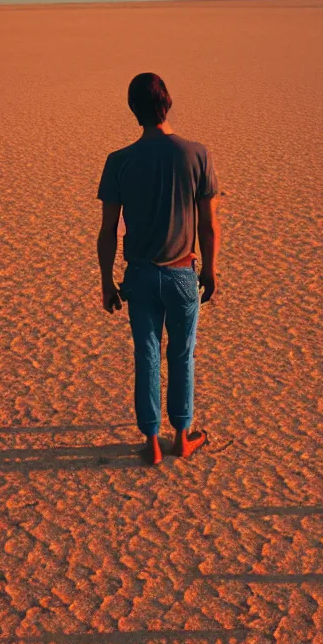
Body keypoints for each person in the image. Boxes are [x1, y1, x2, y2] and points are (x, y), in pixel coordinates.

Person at [96, 73, 220, 465]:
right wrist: (211, 270)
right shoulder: (196, 154)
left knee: (146, 355)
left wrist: (106, 282)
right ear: (168, 103)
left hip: (140, 275)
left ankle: (151, 442)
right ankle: (181, 436)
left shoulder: (119, 161)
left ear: (135, 111)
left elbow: (108, 230)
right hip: (183, 272)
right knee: (182, 354)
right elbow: (208, 224)